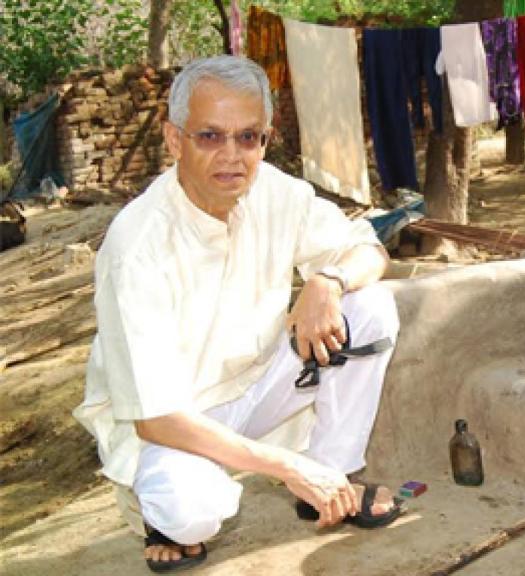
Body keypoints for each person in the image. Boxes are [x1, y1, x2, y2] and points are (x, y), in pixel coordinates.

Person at [73, 55, 401, 573]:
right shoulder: (137, 245)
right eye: (210, 136)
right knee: (190, 512)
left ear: (265, 140)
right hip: (173, 423)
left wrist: (327, 281)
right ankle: (155, 509)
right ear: (175, 140)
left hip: (256, 386)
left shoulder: (273, 191)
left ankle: (331, 479)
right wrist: (286, 466)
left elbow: (372, 250)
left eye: (248, 138)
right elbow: (156, 416)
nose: (232, 156)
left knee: (370, 306)